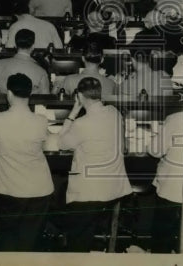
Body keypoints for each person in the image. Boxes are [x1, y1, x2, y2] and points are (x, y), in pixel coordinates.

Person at [57, 77, 133, 252]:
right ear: (99, 94)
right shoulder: (114, 112)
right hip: (113, 187)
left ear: (80, 96)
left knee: (75, 232)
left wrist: (73, 113)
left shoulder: (81, 124)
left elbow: (61, 143)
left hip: (89, 193)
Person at [0, 73, 55, 251]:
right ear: (29, 94)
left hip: (11, 190)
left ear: (9, 93)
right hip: (40, 191)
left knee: (10, 241)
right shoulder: (41, 121)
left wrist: (3, 150)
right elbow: (47, 145)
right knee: (32, 243)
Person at [147, 109, 183, 253]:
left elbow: (155, 150)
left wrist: (157, 135)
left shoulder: (176, 118)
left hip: (172, 188)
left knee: (162, 237)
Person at [0, 29, 50, 96]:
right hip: (28, 106)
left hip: (4, 105)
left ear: (15, 45)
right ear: (33, 46)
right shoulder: (41, 71)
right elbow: (44, 98)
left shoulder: (0, 64)